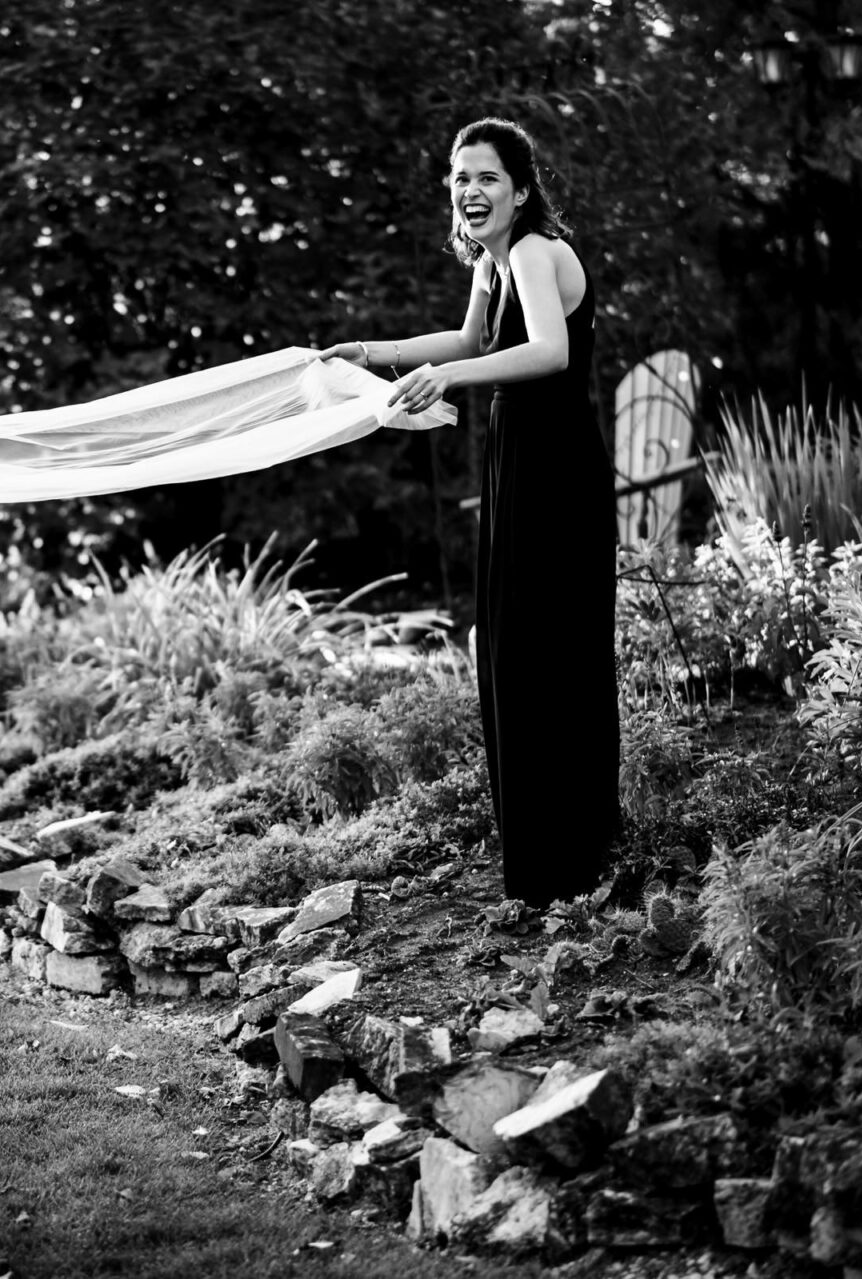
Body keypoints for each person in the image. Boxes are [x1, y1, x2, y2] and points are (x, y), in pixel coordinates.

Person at [319, 117, 619, 908]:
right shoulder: (494, 264)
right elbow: (467, 337)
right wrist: (370, 351)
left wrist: (448, 383)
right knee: (514, 653)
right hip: (516, 459)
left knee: (548, 654)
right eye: (458, 177)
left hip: (556, 469)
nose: (469, 190)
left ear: (521, 190)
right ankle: (546, 870)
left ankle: (573, 866)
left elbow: (549, 353)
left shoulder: (532, 250)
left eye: (486, 177)